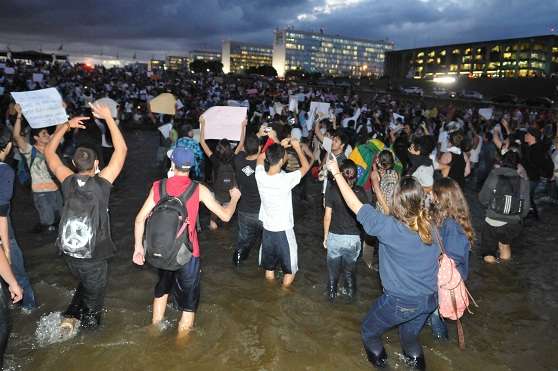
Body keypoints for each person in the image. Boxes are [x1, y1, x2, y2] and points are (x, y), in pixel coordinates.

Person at [326, 158, 438, 370]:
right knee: (410, 339)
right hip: (430, 299)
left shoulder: (389, 228)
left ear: (397, 202)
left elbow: (354, 204)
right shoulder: (432, 226)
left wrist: (337, 173)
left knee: (369, 331)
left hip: (402, 301)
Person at [132, 147, 241, 336]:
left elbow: (140, 219)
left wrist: (138, 248)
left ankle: (154, 332)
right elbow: (225, 216)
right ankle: (180, 348)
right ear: (191, 167)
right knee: (188, 306)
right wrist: (234, 199)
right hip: (188, 255)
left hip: (163, 250)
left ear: (172, 164)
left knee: (162, 290)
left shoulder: (158, 186)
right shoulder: (198, 189)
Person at [44, 102, 127, 330]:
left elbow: (49, 152)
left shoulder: (67, 180)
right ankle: (86, 336)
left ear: (73, 163)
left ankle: (70, 316)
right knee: (94, 304)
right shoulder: (102, 184)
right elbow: (121, 151)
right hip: (94, 257)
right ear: (97, 164)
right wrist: (109, 118)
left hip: (69, 253)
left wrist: (66, 126)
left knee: (84, 282)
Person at [256, 138, 310, 288]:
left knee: (269, 267)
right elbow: (306, 166)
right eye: (285, 155)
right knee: (290, 270)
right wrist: (297, 148)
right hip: (283, 232)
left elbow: (261, 157)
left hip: (267, 231)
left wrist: (279, 146)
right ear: (281, 161)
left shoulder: (259, 176)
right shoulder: (285, 180)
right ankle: (282, 294)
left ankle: (269, 293)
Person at [428, 177, 474, 339]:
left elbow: (453, 258)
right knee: (433, 314)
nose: (430, 195)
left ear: (441, 199)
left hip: (441, 279)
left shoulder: (451, 225)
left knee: (435, 315)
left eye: (433, 193)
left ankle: (441, 343)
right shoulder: (453, 219)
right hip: (442, 278)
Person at [12, 104, 63, 233]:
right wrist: (19, 115)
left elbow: (59, 130)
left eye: (47, 133)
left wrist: (61, 110)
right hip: (41, 192)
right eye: (44, 133)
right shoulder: (30, 151)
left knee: (61, 218)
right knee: (48, 222)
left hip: (56, 189)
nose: (47, 135)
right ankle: (39, 231)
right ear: (36, 138)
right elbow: (17, 136)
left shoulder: (51, 147)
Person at [0, 136, 37, 311]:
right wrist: (6, 248)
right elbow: (1, 214)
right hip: (5, 233)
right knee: (18, 274)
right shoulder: (4, 171)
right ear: (7, 146)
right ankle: (29, 308)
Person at [323, 159, 366, 303]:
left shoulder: (332, 190)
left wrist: (325, 237)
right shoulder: (361, 192)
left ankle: (331, 299)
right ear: (356, 176)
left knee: (332, 275)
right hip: (353, 240)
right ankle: (351, 301)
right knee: (349, 273)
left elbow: (327, 216)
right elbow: (365, 217)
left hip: (335, 238)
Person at [479, 151, 530, 263]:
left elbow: (482, 199)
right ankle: (504, 271)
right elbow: (525, 210)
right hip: (513, 224)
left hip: (493, 220)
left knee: (488, 251)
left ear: (502, 162)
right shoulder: (523, 182)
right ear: (517, 165)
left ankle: (492, 276)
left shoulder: (494, 175)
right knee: (504, 245)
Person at [199, 117, 242, 230]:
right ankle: (225, 232)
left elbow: (202, 142)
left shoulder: (215, 160)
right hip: (230, 191)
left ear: (218, 149)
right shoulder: (233, 157)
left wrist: (203, 124)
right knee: (226, 216)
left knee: (214, 214)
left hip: (218, 191)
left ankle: (213, 224)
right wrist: (243, 126)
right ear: (229, 148)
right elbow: (241, 143)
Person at [231, 132, 262, 266]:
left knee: (242, 241)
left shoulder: (238, 161)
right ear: (259, 148)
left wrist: (254, 133)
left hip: (244, 210)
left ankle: (236, 265)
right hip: (262, 212)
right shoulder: (263, 167)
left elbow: (241, 149)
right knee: (264, 242)